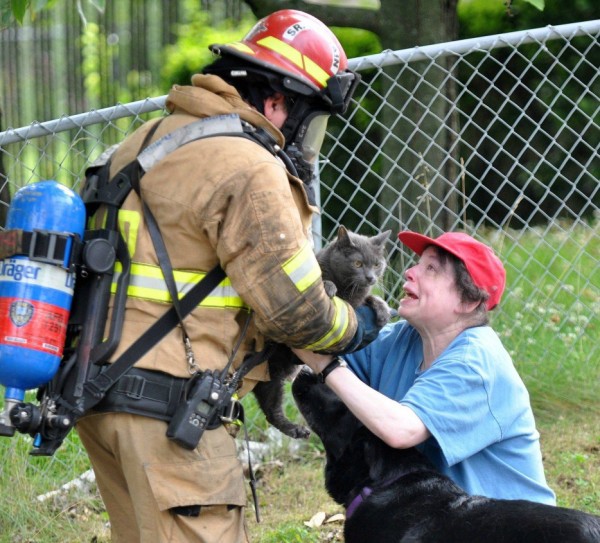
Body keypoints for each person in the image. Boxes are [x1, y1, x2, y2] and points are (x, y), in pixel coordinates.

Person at [75, 10, 380, 543]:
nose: (309, 139)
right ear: (278, 103)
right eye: (311, 120)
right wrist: (360, 326)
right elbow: (297, 312)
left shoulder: (150, 139)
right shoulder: (250, 165)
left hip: (98, 391)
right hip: (168, 407)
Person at [293, 230, 557, 505]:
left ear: (468, 301)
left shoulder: (476, 362)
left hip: (509, 530)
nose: (409, 271)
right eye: (418, 263)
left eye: (430, 269)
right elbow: (314, 350)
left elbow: (401, 430)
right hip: (441, 521)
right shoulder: (403, 339)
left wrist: (326, 366)